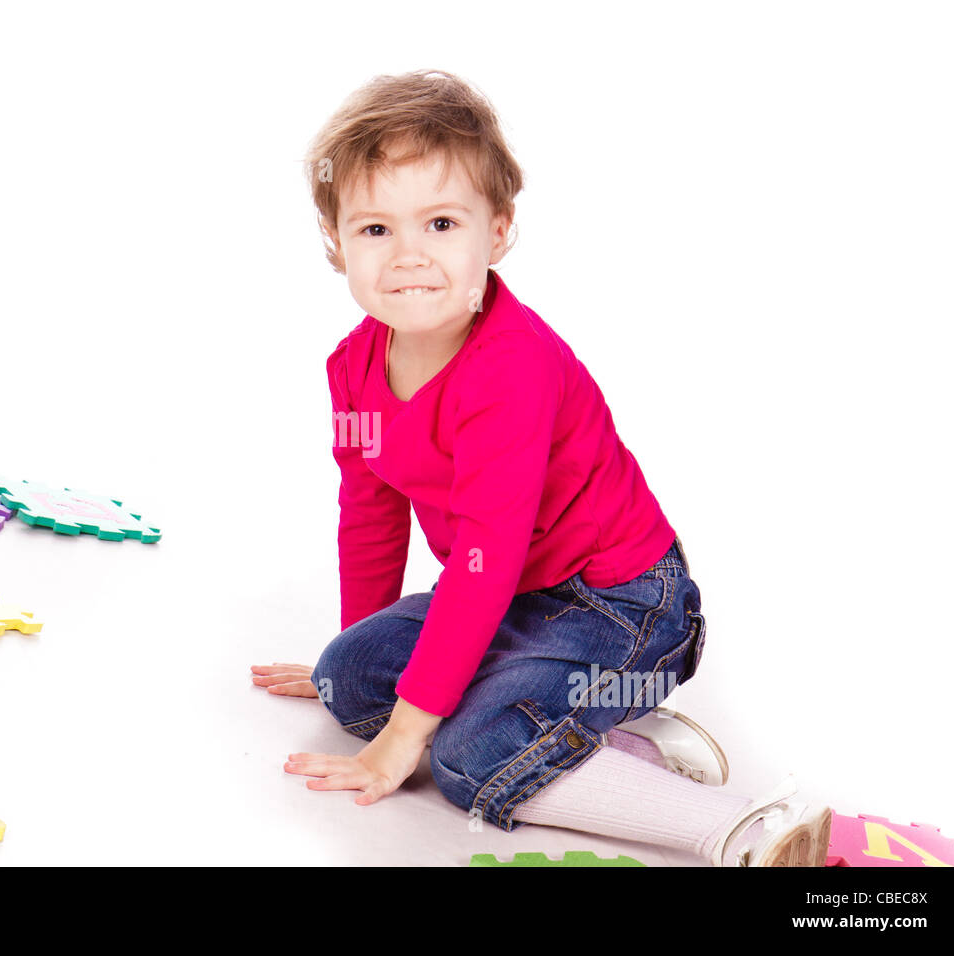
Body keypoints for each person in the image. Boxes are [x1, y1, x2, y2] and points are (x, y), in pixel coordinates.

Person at [251, 69, 829, 866]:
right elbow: (369, 510)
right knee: (347, 680)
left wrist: (405, 738)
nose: (409, 256)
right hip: (516, 592)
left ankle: (739, 826)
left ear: (497, 232)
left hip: (622, 602)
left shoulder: (510, 372)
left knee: (463, 756)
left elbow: (483, 568)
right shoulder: (352, 368)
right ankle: (585, 731)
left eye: (442, 223)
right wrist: (360, 642)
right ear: (335, 244)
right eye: (376, 230)